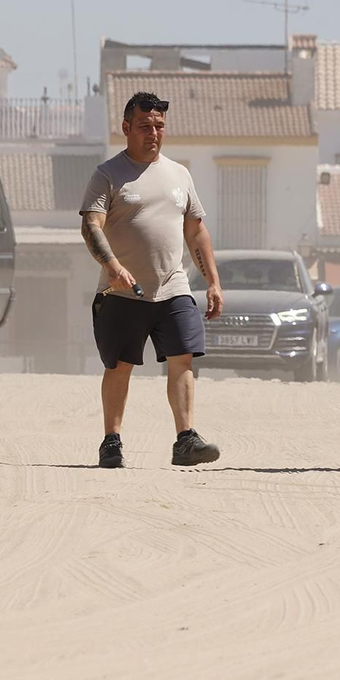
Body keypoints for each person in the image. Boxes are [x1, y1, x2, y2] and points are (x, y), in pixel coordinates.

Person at [79, 91, 223, 469]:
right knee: (120, 366)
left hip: (173, 286)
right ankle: (112, 440)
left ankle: (185, 439)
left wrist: (212, 281)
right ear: (126, 128)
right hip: (123, 292)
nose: (153, 133)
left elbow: (197, 232)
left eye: (159, 126)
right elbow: (90, 227)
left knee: (183, 358)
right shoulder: (108, 174)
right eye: (145, 126)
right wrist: (112, 266)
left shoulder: (180, 175)